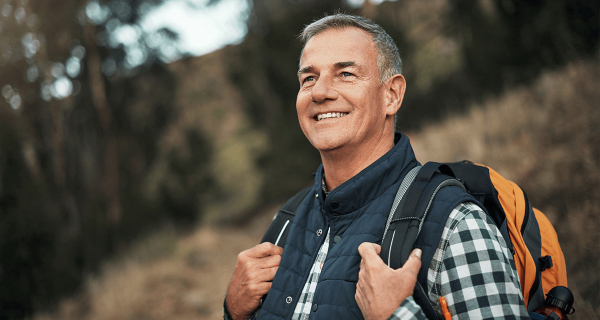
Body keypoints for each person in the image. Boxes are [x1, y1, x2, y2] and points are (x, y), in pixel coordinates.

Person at [224, 14, 528, 320]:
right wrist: (233, 312)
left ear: (391, 95)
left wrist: (396, 315)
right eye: (309, 78)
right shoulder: (285, 222)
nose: (319, 92)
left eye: (345, 74)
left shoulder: (456, 222)